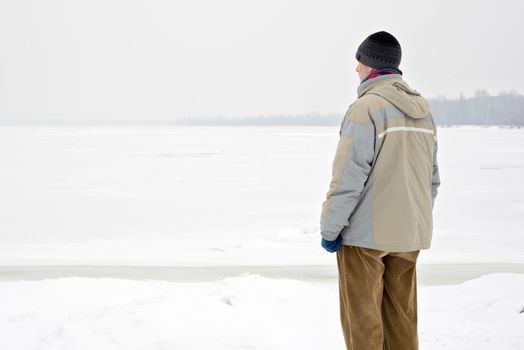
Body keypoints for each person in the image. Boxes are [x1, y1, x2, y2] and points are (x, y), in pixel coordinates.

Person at [319, 30, 441, 350]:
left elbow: (347, 178)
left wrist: (331, 229)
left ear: (371, 65)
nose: (356, 68)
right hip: (409, 235)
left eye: (359, 62)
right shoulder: (423, 112)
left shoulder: (365, 109)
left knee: (363, 322)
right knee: (402, 320)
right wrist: (411, 219)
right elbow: (432, 180)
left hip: (363, 239)